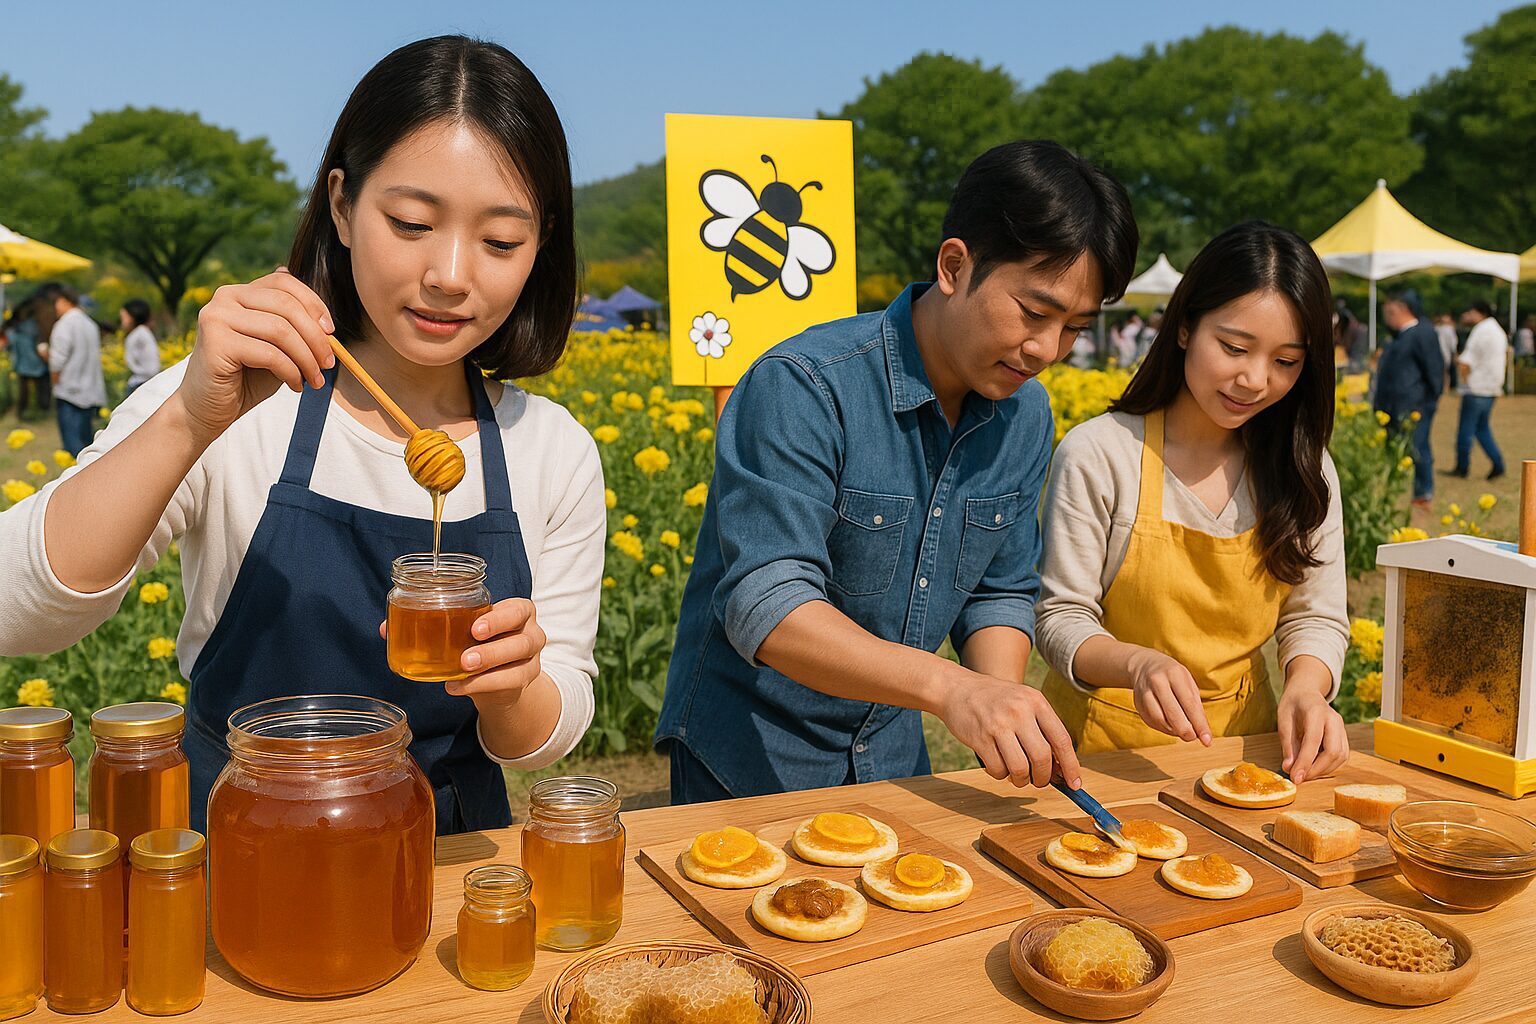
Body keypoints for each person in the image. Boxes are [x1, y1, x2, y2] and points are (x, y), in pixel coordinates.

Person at [0, 36, 604, 835]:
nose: (452, 274)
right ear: (343, 206)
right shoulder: (234, 406)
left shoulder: (552, 449)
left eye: (500, 241)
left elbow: (541, 738)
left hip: (442, 867)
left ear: (540, 248)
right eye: (413, 221)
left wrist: (512, 688)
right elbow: (21, 615)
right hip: (239, 855)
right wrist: (186, 421)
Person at [655, 140, 1139, 803]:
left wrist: (998, 698)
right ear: (953, 265)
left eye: (1076, 329)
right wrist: (951, 689)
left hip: (888, 755)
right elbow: (768, 604)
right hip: (750, 755)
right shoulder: (803, 386)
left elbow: (998, 590)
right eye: (1034, 312)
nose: (1046, 350)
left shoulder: (1024, 414)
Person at [1037, 222, 1349, 782]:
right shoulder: (1101, 453)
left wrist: (1307, 687)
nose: (1254, 379)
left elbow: (1314, 615)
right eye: (1234, 348)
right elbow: (1062, 617)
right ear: (1183, 327)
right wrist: (1136, 664)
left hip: (1249, 754)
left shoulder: (1305, 469)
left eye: (1286, 362)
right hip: (1100, 760)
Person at [1374, 290, 1443, 509]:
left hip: (1415, 405)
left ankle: (1423, 492)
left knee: (1418, 448)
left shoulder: (1422, 332)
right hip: (1393, 405)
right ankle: (1396, 489)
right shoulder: (1398, 336)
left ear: (1401, 310)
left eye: (1389, 311)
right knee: (1397, 449)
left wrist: (1429, 402)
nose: (1386, 317)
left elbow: (1434, 371)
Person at [40, 283, 107, 457]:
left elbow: (57, 361)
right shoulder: (89, 323)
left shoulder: (64, 324)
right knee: (86, 445)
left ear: (64, 301)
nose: (55, 307)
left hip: (69, 391)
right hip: (89, 390)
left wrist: (55, 384)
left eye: (56, 302)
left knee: (72, 449)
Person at [1447, 299, 1508, 482]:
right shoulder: (1497, 330)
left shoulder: (1481, 331)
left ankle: (1462, 466)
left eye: (1468, 312)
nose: (1465, 316)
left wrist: (1465, 382)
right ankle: (1498, 464)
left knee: (1466, 430)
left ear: (1477, 312)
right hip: (1492, 387)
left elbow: (1465, 361)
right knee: (1482, 429)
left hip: (1477, 388)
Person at [2, 294, 51, 419]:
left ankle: (24, 412)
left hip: (23, 362)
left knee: (24, 391)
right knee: (38, 388)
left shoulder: (16, 327)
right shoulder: (34, 325)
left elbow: (10, 343)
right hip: (35, 361)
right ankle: (39, 410)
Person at [120, 298, 162, 396]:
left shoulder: (140, 335)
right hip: (142, 382)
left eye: (124, 317)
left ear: (133, 317)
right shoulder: (142, 333)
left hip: (141, 383)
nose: (122, 322)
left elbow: (152, 366)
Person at [1433, 313, 1459, 393]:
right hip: (1444, 352)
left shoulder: (1437, 329)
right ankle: (1446, 387)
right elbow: (1453, 343)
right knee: (1446, 370)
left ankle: (1442, 387)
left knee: (1442, 370)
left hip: (1440, 352)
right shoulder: (1446, 329)